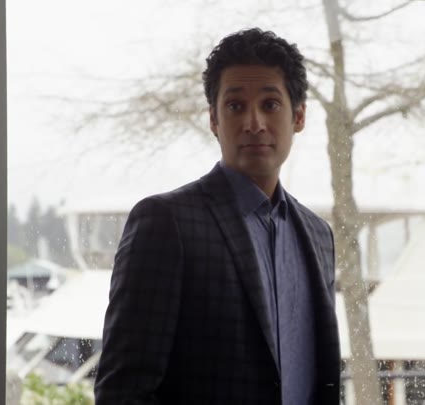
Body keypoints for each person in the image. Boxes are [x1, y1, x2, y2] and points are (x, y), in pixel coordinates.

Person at [94, 28, 341, 404]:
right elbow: (123, 391)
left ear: (299, 116)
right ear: (214, 119)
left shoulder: (318, 235)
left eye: (270, 104)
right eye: (235, 106)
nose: (254, 123)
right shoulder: (166, 222)